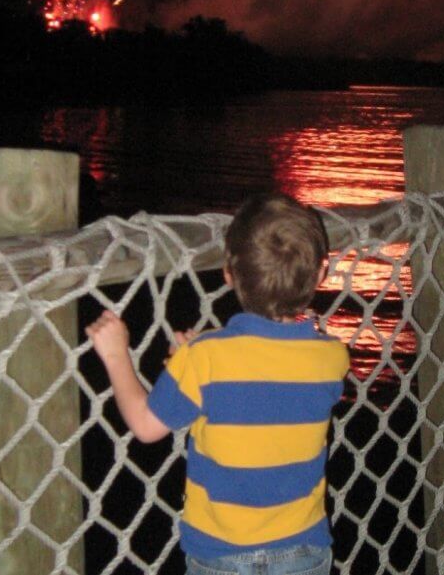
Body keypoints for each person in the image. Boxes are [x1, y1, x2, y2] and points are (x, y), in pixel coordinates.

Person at [87, 192, 350, 575]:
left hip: (221, 554)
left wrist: (116, 355)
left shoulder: (206, 359)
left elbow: (145, 425)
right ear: (321, 274)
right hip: (303, 549)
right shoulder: (332, 358)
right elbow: (271, 378)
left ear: (228, 274)